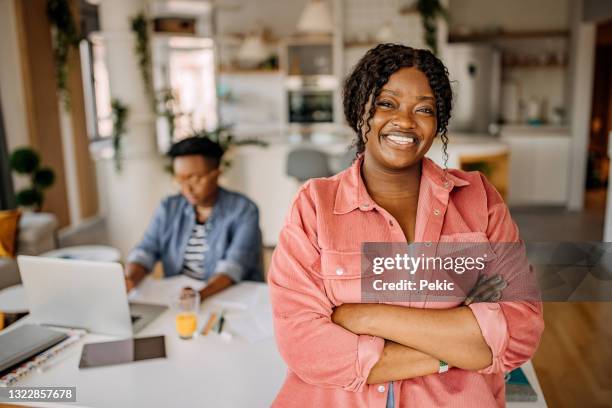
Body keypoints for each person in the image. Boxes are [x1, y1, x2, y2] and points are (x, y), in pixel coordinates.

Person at [268, 44, 544, 407]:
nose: (406, 121)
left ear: (438, 122)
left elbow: (520, 332)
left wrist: (366, 316)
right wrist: (456, 350)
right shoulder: (315, 206)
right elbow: (305, 346)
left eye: (425, 109)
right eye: (387, 103)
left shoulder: (479, 200)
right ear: (359, 109)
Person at [125, 136, 262, 301]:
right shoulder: (169, 207)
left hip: (227, 296)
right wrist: (130, 279)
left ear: (217, 174)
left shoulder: (244, 210)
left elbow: (233, 267)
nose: (187, 188)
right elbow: (145, 251)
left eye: (195, 179)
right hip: (179, 296)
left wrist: (199, 295)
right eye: (180, 179)